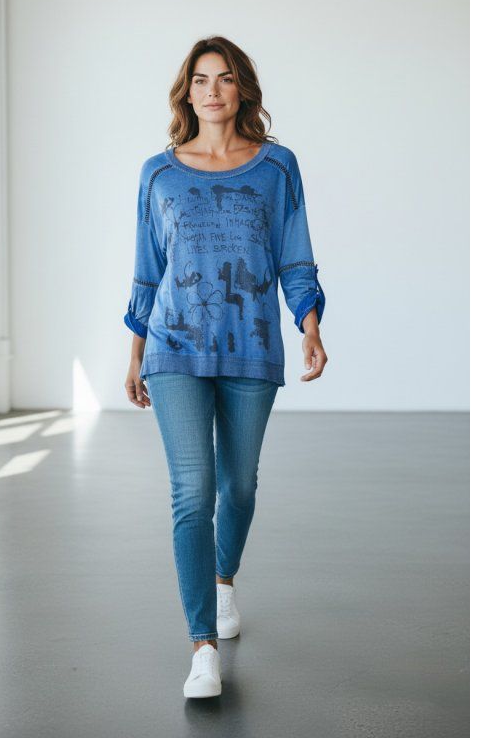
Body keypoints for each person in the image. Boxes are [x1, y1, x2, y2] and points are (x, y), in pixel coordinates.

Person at [122, 36, 328, 698]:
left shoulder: (277, 168)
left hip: (251, 344)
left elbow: (295, 253)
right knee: (193, 491)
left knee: (238, 487)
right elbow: (148, 267)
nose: (213, 90)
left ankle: (223, 580)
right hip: (173, 347)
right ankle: (202, 646)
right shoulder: (158, 173)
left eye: (226, 78)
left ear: (243, 90)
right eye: (201, 79)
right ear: (187, 92)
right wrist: (134, 350)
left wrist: (309, 324)